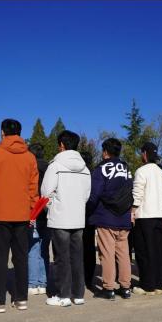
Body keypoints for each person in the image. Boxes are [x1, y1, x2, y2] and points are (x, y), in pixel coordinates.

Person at [0, 118, 39, 313]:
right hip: (22, 215)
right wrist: (33, 213)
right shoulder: (29, 157)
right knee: (21, 258)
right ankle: (21, 299)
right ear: (20, 133)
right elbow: (33, 189)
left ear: (2, 132)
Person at [40, 130, 92, 307]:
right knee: (76, 257)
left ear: (61, 145)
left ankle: (63, 295)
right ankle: (78, 294)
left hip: (60, 218)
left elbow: (45, 192)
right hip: (78, 218)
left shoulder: (55, 166)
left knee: (61, 258)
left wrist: (52, 205)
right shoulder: (85, 169)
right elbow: (86, 195)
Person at [88, 137, 134, 299]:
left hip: (106, 217)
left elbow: (94, 194)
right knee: (123, 254)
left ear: (105, 152)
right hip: (124, 217)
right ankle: (126, 287)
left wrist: (88, 211)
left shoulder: (101, 168)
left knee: (107, 254)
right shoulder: (126, 168)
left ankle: (108, 288)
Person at [130, 141, 162, 295]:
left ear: (145, 154)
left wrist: (132, 210)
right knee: (158, 251)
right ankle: (158, 284)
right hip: (160, 216)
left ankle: (147, 285)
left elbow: (137, 193)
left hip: (145, 216)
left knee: (144, 252)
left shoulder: (141, 171)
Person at [27, 142, 51, 296]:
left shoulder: (30, 167)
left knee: (32, 249)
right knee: (44, 249)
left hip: (33, 212)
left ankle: (32, 283)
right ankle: (43, 283)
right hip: (47, 213)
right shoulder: (50, 168)